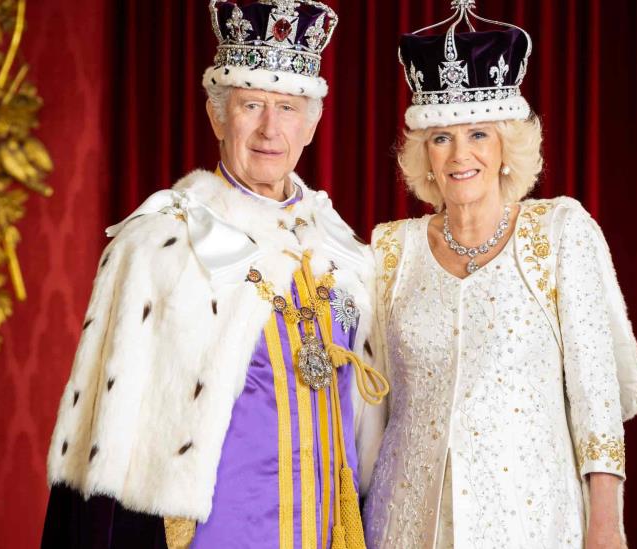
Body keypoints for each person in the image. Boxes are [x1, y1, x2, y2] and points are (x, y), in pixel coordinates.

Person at [41, 2, 387, 548]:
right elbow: (108, 453)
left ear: (312, 122)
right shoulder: (164, 245)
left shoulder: (343, 253)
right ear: (218, 115)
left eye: (289, 107)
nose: (271, 128)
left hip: (326, 529)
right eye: (252, 104)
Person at [362, 3, 637, 548]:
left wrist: (606, 523)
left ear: (506, 149)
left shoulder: (560, 234)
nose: (459, 155)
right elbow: (366, 403)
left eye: (479, 135)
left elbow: (597, 394)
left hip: (531, 523)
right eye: (441, 138)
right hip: (406, 524)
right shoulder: (389, 251)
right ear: (424, 153)